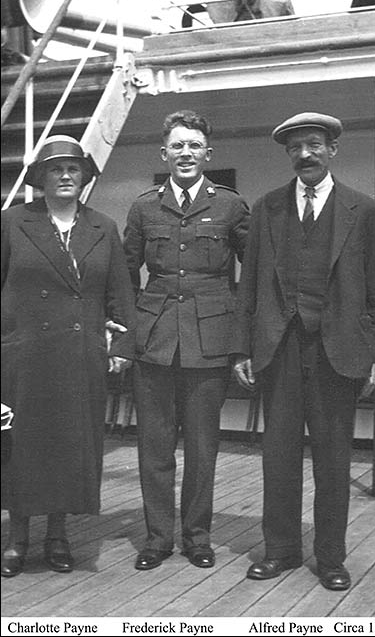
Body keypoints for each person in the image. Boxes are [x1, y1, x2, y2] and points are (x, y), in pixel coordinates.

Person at [233, 112, 375, 591]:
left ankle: (331, 557)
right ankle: (280, 550)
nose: (305, 154)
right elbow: (251, 284)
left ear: (332, 150)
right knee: (277, 457)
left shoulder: (363, 211)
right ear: (288, 154)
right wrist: (244, 347)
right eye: (296, 147)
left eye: (314, 145)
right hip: (279, 351)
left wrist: (373, 357)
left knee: (333, 461)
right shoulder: (267, 208)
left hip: (337, 353)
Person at [1, 135, 136, 577]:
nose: (64, 176)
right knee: (21, 450)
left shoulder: (103, 227)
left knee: (66, 448)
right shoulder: (11, 222)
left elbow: (120, 294)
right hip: (24, 359)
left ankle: (57, 536)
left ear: (84, 177)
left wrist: (121, 344)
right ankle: (17, 539)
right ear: (40, 178)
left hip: (80, 358)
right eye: (54, 170)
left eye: (72, 169)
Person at [123, 110, 250, 571]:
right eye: (177, 146)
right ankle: (157, 538)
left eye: (194, 145)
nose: (185, 154)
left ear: (207, 154)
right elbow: (124, 274)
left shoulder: (230, 205)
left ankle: (197, 537)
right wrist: (128, 332)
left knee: (202, 448)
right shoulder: (143, 207)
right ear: (165, 153)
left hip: (209, 341)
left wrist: (243, 342)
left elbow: (251, 275)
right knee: (154, 447)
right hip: (154, 341)